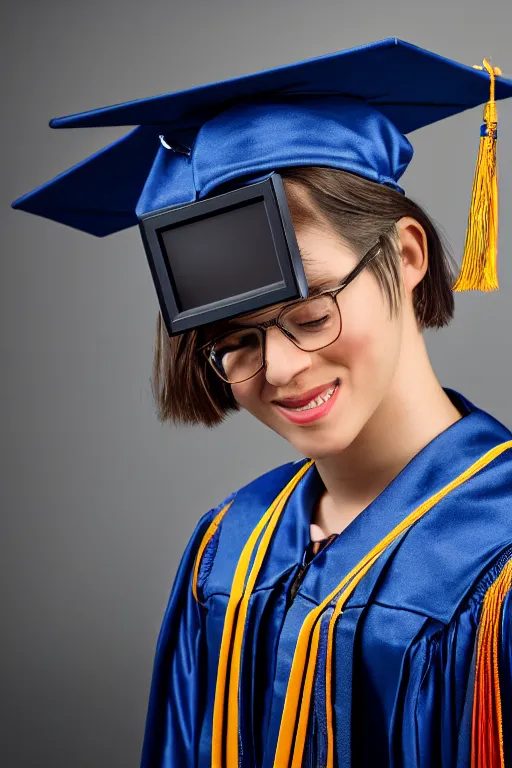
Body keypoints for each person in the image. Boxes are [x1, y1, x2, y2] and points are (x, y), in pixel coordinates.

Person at [11, 38, 512, 768]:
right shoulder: (229, 546)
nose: (281, 368)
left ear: (407, 256)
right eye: (236, 340)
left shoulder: (498, 569)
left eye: (311, 314)